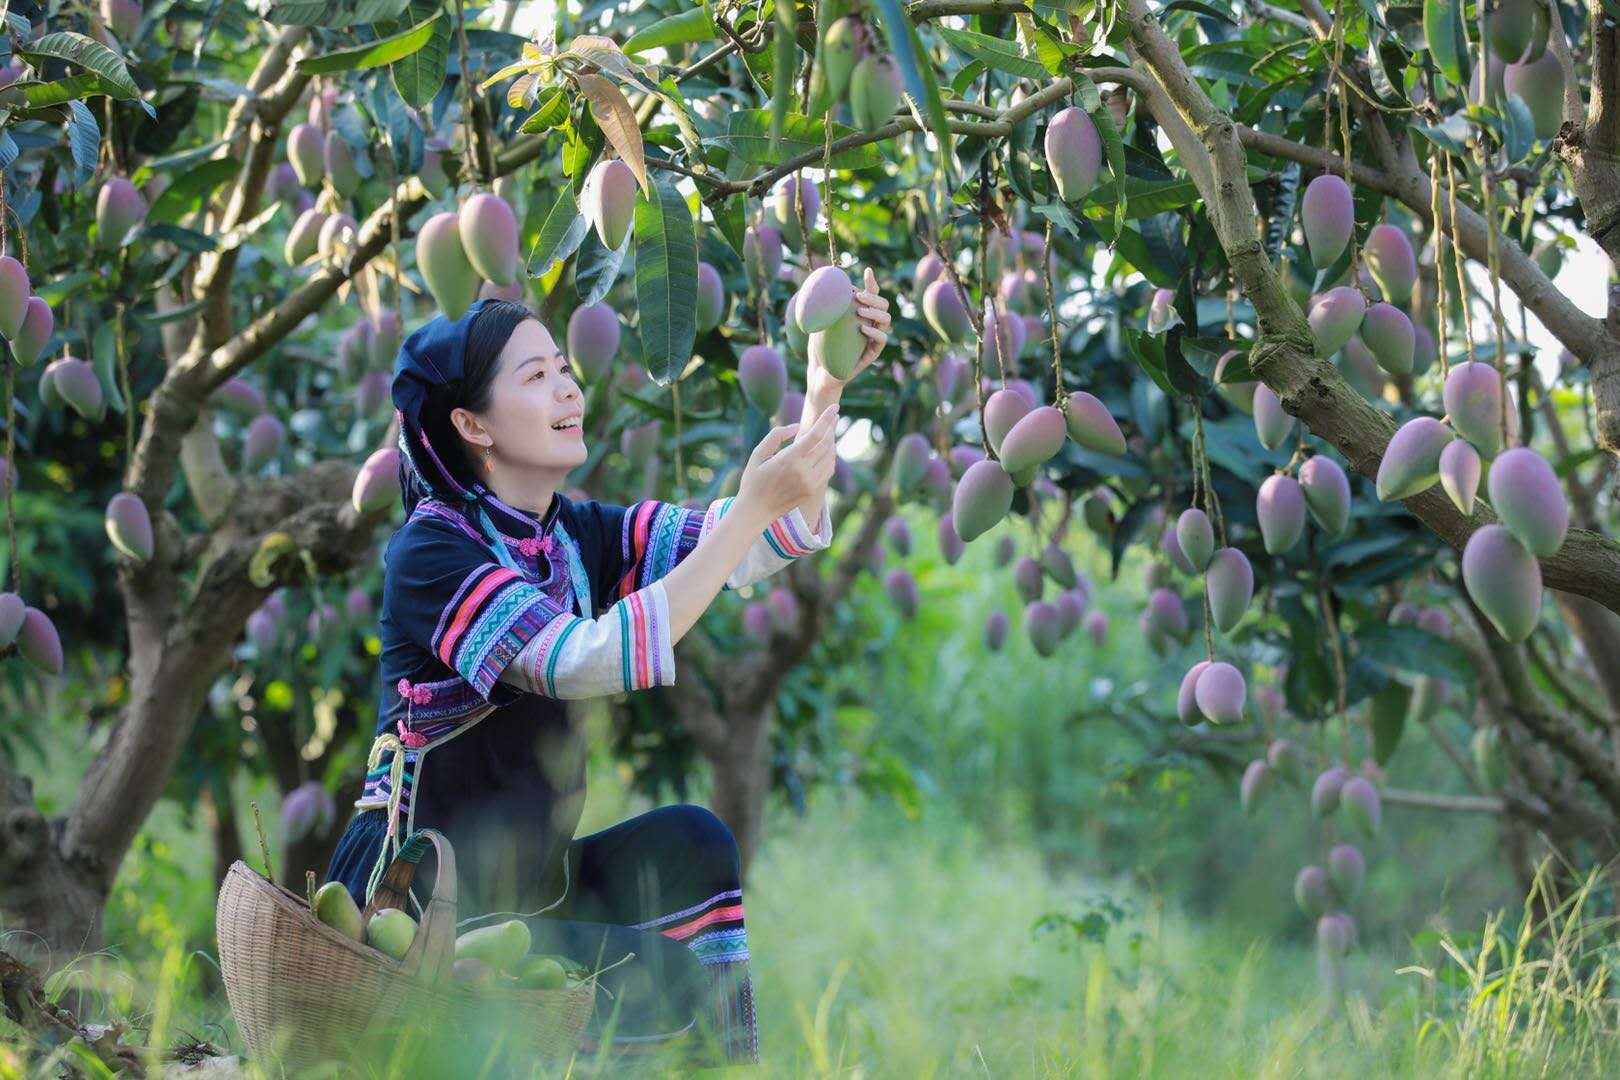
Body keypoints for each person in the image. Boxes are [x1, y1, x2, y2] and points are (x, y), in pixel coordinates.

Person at [324, 274, 891, 1068]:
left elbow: (753, 539)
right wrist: (755, 507)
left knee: (693, 842)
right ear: (470, 424)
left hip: (532, 894)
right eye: (535, 375)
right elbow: (578, 661)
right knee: (664, 980)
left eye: (563, 366)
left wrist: (828, 382)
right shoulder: (434, 549)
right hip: (421, 902)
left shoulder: (570, 533)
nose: (567, 386)